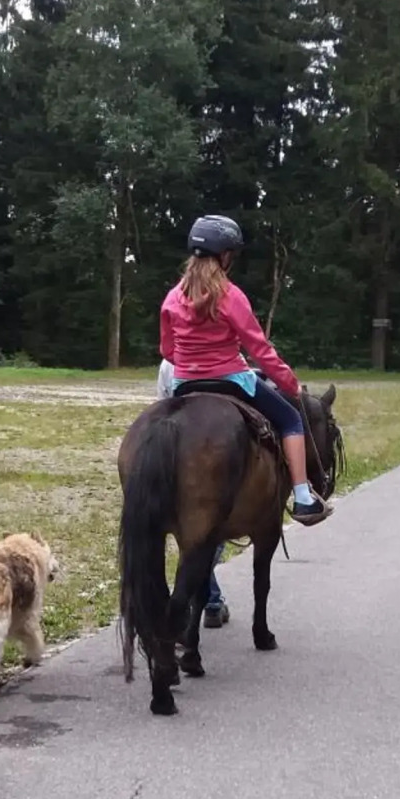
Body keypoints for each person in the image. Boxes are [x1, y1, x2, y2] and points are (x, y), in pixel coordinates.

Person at [160, 214, 333, 527]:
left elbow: (167, 351)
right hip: (232, 380)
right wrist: (289, 383)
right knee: (291, 419)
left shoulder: (173, 297)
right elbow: (260, 350)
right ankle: (304, 497)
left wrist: (191, 362)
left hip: (184, 383)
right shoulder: (231, 296)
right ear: (225, 256)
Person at [157, 358, 230, 627]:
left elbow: (161, 403)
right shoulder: (228, 357)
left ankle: (209, 599)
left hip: (170, 443)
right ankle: (206, 601)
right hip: (213, 444)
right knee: (210, 535)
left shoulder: (167, 364)